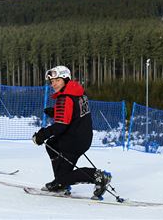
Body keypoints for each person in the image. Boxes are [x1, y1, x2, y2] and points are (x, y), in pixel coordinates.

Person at [32, 65, 112, 198]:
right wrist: (56, 112)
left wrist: (41, 135)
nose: (54, 84)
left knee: (64, 176)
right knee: (52, 145)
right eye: (52, 81)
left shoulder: (65, 97)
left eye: (57, 80)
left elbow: (60, 127)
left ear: (65, 78)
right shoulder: (78, 92)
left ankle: (98, 176)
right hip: (82, 136)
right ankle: (60, 183)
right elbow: (75, 113)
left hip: (73, 140)